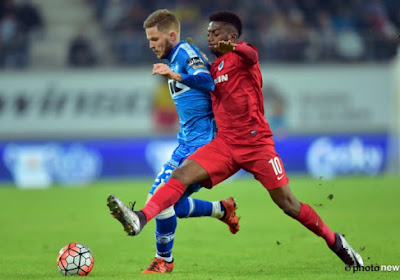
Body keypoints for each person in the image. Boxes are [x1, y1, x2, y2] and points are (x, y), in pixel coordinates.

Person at [107, 11, 364, 268]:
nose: (210, 37)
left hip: (257, 145)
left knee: (289, 204)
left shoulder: (244, 57)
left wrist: (233, 48)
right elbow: (203, 82)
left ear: (231, 36)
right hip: (225, 145)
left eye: (216, 33)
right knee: (180, 176)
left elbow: (251, 54)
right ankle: (141, 218)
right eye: (208, 33)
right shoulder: (213, 67)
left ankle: (335, 241)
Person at [107, 9, 240, 274]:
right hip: (189, 141)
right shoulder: (176, 56)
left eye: (155, 39)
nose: (150, 45)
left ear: (171, 34)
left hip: (202, 143)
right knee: (172, 204)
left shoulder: (185, 54)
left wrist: (176, 76)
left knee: (159, 198)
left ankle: (163, 260)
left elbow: (207, 80)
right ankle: (221, 210)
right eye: (148, 40)